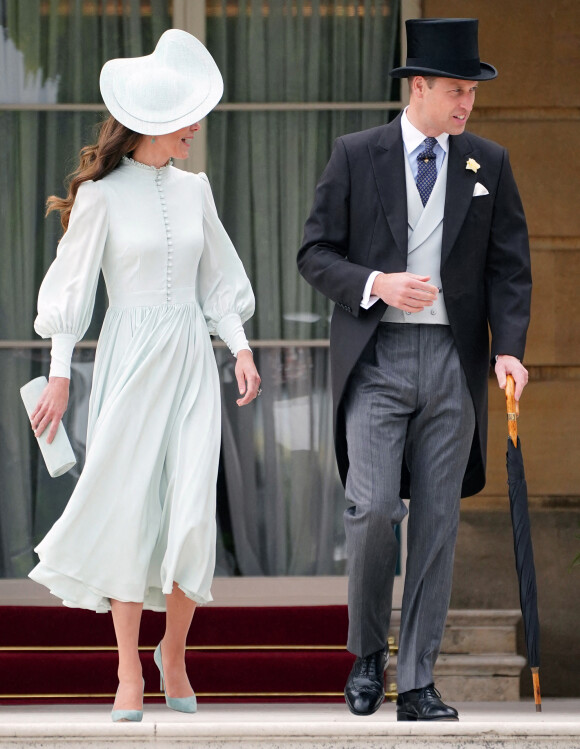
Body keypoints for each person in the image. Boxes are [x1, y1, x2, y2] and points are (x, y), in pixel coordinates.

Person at [298, 18, 531, 721]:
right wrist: (377, 282)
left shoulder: (487, 163)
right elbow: (314, 252)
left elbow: (509, 267)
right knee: (372, 509)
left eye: (472, 93)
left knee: (436, 521)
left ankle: (420, 679)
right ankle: (369, 653)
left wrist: (509, 347)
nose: (467, 104)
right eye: (457, 90)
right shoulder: (355, 154)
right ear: (419, 87)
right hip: (378, 357)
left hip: (452, 364)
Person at [28, 29, 261, 722]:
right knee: (130, 511)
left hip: (191, 357)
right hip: (128, 358)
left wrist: (241, 346)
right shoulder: (101, 197)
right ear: (158, 121)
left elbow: (219, 280)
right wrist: (60, 372)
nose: (197, 128)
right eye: (188, 117)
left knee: (190, 513)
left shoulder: (196, 191)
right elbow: (70, 289)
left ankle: (174, 652)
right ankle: (129, 667)